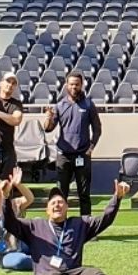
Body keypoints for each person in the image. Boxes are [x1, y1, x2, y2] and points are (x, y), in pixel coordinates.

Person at [5, 179, 135, 275]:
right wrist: (5, 197)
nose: (57, 205)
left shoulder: (79, 224)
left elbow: (104, 219)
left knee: (92, 273)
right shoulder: (34, 226)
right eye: (53, 203)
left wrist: (117, 197)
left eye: (61, 202)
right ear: (47, 210)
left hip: (75, 274)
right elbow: (10, 223)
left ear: (67, 207)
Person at [43, 71, 101, 216]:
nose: (74, 87)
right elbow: (48, 129)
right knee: (61, 194)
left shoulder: (88, 104)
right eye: (71, 84)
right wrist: (49, 118)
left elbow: (97, 129)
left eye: (77, 84)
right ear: (66, 85)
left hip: (82, 155)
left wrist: (91, 147)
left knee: (84, 194)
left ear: (82, 85)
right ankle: (61, 224)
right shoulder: (60, 106)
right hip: (64, 156)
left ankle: (86, 225)